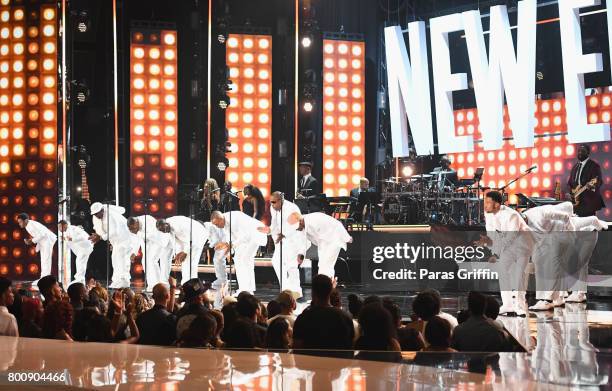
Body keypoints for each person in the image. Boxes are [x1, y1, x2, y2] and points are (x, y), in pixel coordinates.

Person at [479, 191, 534, 316]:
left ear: (497, 204)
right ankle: (508, 305)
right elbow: (492, 234)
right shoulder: (488, 214)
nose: (485, 205)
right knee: (502, 270)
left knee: (519, 274)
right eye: (485, 202)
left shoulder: (511, 215)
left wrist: (497, 252)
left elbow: (511, 237)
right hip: (507, 245)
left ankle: (519, 306)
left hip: (522, 245)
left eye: (488, 202)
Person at [523, 202, 575, 311]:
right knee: (538, 261)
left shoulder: (541, 213)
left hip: (561, 232)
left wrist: (569, 227)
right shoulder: (521, 226)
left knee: (553, 265)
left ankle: (547, 300)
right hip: (546, 237)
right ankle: (558, 298)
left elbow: (565, 216)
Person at [259, 192, 307, 297]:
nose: (272, 205)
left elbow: (297, 226)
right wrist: (269, 230)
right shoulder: (273, 208)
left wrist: (284, 234)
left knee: (291, 265)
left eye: (274, 202)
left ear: (281, 200)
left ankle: (296, 291)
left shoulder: (292, 208)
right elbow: (275, 224)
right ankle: (286, 289)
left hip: (294, 239)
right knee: (276, 261)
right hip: (282, 239)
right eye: (271, 202)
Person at [292, 274, 354, 355]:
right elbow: (349, 348)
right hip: (337, 364)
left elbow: (297, 350)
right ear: (331, 291)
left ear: (313, 293)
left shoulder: (303, 318)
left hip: (311, 364)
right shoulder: (344, 317)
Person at [210, 211, 268, 295]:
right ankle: (248, 289)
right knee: (242, 260)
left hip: (254, 234)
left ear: (220, 219)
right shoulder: (224, 223)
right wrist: (227, 248)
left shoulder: (235, 219)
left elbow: (245, 236)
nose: (217, 226)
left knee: (243, 259)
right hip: (246, 239)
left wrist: (231, 245)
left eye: (217, 224)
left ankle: (245, 289)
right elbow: (230, 239)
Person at [288, 212, 353, 279]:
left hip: (334, 238)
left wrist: (346, 237)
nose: (296, 229)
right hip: (325, 240)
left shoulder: (313, 220)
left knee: (326, 265)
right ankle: (325, 285)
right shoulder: (303, 225)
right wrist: (301, 255)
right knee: (323, 265)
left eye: (296, 227)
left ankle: (325, 285)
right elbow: (304, 242)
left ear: (300, 222)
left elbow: (336, 224)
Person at [89, 202, 136, 288]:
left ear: (102, 210)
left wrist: (101, 237)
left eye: (97, 213)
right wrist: (99, 235)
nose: (96, 215)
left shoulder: (111, 215)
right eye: (94, 214)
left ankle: (124, 281)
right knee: (115, 259)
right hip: (116, 241)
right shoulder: (95, 217)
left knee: (123, 259)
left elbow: (115, 231)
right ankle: (117, 281)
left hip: (125, 238)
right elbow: (97, 228)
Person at [156, 216, 210, 283]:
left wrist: (184, 252)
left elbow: (189, 241)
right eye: (162, 231)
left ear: (166, 224)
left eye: (164, 229)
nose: (164, 231)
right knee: (186, 262)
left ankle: (191, 284)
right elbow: (178, 241)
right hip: (190, 238)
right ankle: (187, 283)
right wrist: (179, 253)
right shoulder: (168, 226)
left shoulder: (178, 226)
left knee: (191, 262)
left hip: (198, 236)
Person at [127, 215, 173, 289]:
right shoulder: (134, 228)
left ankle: (157, 285)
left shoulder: (148, 220)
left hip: (158, 241)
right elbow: (136, 240)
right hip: (147, 243)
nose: (134, 230)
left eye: (134, 228)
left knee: (152, 261)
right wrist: (134, 253)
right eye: (131, 229)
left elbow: (153, 235)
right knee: (145, 262)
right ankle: (151, 285)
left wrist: (140, 234)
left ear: (137, 222)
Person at [17, 213, 57, 285]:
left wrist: (31, 241)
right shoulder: (28, 225)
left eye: (20, 222)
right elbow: (39, 235)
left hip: (47, 240)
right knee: (44, 260)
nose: (19, 224)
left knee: (46, 260)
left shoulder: (31, 225)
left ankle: (46, 280)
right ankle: (43, 279)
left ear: (26, 220)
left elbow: (42, 234)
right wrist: (31, 240)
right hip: (44, 241)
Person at [567, 144, 605, 217]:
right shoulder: (575, 166)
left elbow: (599, 182)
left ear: (588, 153)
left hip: (589, 202)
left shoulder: (594, 165)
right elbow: (570, 183)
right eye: (579, 151)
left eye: (583, 151)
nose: (580, 153)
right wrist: (570, 193)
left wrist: (592, 186)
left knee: (589, 225)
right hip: (576, 203)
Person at [58, 220, 93, 285]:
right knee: (79, 262)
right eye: (59, 227)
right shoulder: (67, 232)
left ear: (65, 225)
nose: (59, 228)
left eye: (60, 226)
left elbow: (83, 236)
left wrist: (71, 239)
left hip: (85, 247)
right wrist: (66, 239)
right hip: (82, 248)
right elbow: (69, 240)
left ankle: (80, 280)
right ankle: (80, 280)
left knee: (80, 262)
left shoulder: (73, 229)